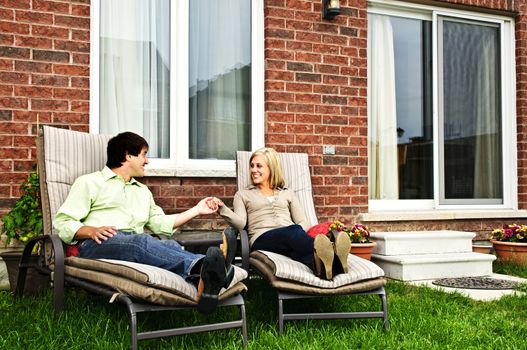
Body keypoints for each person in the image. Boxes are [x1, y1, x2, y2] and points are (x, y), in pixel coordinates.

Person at [53, 131, 236, 314]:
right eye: (144, 154)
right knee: (140, 243)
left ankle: (202, 281)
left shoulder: (142, 191)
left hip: (134, 244)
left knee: (169, 244)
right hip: (97, 245)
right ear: (128, 155)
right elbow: (63, 221)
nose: (147, 161)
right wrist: (90, 230)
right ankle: (208, 267)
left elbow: (161, 223)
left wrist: (197, 209)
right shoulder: (90, 182)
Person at [213, 147, 351, 280]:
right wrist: (223, 209)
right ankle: (335, 256)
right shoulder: (243, 194)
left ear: (271, 168)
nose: (253, 170)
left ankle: (328, 269)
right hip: (262, 238)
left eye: (259, 166)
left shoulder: (287, 193)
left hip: (290, 238)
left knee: (298, 249)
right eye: (252, 166)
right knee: (292, 233)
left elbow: (303, 221)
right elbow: (241, 223)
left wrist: (297, 234)